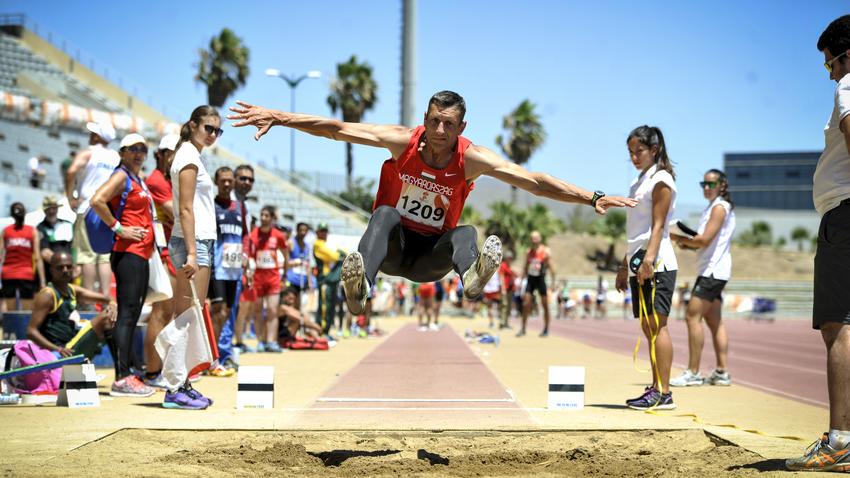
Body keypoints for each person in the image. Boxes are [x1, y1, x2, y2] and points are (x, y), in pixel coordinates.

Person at [228, 91, 634, 318]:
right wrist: (279, 117)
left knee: (467, 231)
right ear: (425, 117)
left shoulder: (471, 158)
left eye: (449, 125)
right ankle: (360, 289)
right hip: (392, 248)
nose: (439, 131)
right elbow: (338, 129)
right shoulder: (402, 140)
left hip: (430, 259)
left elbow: (534, 182)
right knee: (386, 213)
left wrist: (591, 196)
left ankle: (473, 278)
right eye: (434, 121)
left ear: (462, 128)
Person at [786, 15, 850, 471]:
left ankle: (841, 440)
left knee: (838, 324)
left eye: (830, 63)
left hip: (844, 215)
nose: (830, 73)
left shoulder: (849, 86)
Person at [615, 125, 678, 411]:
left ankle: (664, 392)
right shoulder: (639, 181)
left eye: (639, 151)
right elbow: (635, 230)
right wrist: (623, 264)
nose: (634, 157)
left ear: (654, 150)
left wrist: (650, 260)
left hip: (657, 261)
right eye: (630, 152)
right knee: (647, 326)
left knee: (658, 326)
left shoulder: (661, 179)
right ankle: (656, 387)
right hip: (637, 259)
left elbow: (658, 225)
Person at [90, 133, 156, 398]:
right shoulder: (121, 176)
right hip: (127, 251)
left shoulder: (136, 178)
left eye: (143, 149)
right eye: (133, 149)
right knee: (127, 315)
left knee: (133, 313)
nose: (139, 153)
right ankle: (121, 377)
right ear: (122, 152)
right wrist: (120, 228)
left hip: (140, 253)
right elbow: (97, 200)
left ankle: (130, 373)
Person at [167, 105, 222, 409]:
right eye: (208, 128)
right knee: (186, 316)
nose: (213, 134)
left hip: (200, 241)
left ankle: (181, 382)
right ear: (193, 125)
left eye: (217, 130)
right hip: (193, 242)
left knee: (191, 314)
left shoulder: (193, 154)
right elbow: (186, 208)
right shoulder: (187, 156)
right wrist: (191, 252)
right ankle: (174, 386)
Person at [670, 169, 736, 388]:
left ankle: (693, 372)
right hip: (714, 270)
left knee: (692, 316)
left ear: (722, 185)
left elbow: (705, 240)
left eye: (711, 184)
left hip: (712, 272)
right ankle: (721, 372)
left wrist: (677, 237)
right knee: (714, 321)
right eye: (703, 184)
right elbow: (704, 242)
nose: (706, 188)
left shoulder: (719, 207)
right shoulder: (714, 207)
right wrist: (687, 243)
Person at [27, 252, 116, 360]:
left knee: (113, 315)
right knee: (106, 318)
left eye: (69, 267)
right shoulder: (48, 295)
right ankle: (123, 370)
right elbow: (31, 331)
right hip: (63, 351)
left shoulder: (72, 290)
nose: (65, 270)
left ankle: (125, 368)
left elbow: (107, 298)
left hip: (72, 345)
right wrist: (57, 349)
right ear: (51, 270)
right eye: (60, 267)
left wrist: (113, 305)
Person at [65, 121, 119, 299]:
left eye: (93, 133)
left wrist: (70, 196)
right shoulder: (116, 157)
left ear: (98, 136)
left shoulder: (88, 152)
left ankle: (88, 299)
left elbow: (71, 171)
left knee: (87, 256)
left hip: (87, 206)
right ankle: (105, 298)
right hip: (107, 209)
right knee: (103, 257)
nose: (90, 135)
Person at [142, 134, 178, 389]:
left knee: (168, 314)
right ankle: (153, 372)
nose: (175, 157)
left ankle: (161, 369)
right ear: (162, 154)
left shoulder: (167, 179)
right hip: (162, 253)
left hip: (170, 250)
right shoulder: (156, 180)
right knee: (161, 313)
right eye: (171, 152)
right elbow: (177, 213)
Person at [208, 166, 242, 375]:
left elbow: (243, 235)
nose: (227, 184)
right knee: (217, 313)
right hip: (217, 268)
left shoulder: (239, 207)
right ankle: (211, 359)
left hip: (234, 270)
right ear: (217, 182)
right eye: (223, 181)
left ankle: (217, 356)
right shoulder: (212, 206)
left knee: (227, 313)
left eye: (230, 180)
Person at [247, 205, 288, 352]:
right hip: (257, 278)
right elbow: (250, 254)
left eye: (266, 216)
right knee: (257, 310)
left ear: (271, 218)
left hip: (273, 278)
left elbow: (285, 254)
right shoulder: (253, 234)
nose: (263, 218)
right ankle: (261, 341)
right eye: (262, 215)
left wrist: (285, 275)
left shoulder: (278, 235)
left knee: (272, 310)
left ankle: (271, 341)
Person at [1, 203, 45, 316]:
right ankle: (21, 332)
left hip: (11, 274)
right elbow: (37, 257)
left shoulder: (6, 231)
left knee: (10, 311)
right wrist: (42, 280)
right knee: (26, 312)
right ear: (25, 213)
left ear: (11, 214)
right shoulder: (31, 231)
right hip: (23, 274)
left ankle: (11, 332)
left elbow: (1, 255)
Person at [518, 231, 555, 337]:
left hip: (541, 279)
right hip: (531, 279)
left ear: (540, 239)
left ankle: (546, 329)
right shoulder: (529, 252)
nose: (534, 240)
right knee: (526, 303)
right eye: (532, 238)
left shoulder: (546, 251)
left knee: (545, 305)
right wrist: (521, 281)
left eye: (536, 238)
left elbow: (552, 267)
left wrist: (553, 282)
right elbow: (525, 266)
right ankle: (523, 328)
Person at [313, 222, 342, 338]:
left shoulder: (326, 244)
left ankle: (326, 331)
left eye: (325, 231)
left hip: (331, 280)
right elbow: (334, 256)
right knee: (325, 307)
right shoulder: (318, 244)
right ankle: (322, 331)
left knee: (331, 306)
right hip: (325, 280)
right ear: (317, 232)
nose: (324, 233)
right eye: (322, 231)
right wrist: (339, 253)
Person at [36, 195, 74, 283]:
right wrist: (63, 266)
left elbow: (75, 247)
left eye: (54, 208)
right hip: (52, 274)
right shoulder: (40, 227)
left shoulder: (68, 224)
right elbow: (45, 253)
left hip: (69, 273)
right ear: (44, 210)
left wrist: (75, 266)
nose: (51, 211)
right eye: (48, 209)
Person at [286, 222, 313, 307]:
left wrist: (310, 282)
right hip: (291, 279)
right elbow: (286, 262)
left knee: (298, 306)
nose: (303, 233)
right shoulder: (291, 243)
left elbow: (308, 265)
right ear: (297, 230)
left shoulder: (307, 246)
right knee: (290, 304)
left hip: (302, 280)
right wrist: (296, 262)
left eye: (305, 230)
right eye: (301, 230)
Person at [498, 250, 516, 328]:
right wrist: (503, 289)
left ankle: (506, 323)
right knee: (504, 305)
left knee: (508, 307)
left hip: (510, 289)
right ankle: (502, 322)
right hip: (505, 289)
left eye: (511, 258)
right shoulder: (503, 265)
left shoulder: (510, 266)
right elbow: (501, 277)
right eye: (509, 258)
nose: (510, 259)